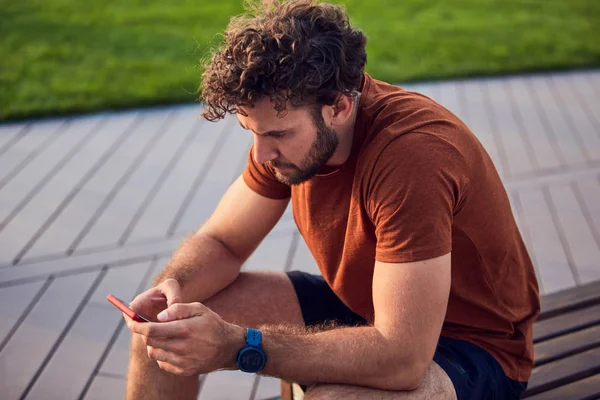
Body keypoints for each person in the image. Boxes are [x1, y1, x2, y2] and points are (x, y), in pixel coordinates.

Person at [124, 0, 540, 399]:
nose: (262, 154)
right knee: (161, 333)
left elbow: (403, 357)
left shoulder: (412, 158)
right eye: (252, 132)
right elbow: (224, 242)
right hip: (373, 305)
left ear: (339, 107)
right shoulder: (289, 143)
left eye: (278, 134)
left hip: (471, 347)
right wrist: (172, 287)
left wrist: (238, 346)